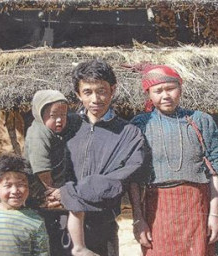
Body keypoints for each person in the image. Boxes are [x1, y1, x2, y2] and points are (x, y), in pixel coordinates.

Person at [47, 59, 147, 256]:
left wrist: (69, 193)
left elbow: (119, 179)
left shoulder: (129, 134)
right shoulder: (66, 126)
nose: (95, 99)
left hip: (103, 224)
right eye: (87, 92)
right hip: (60, 221)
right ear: (78, 94)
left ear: (113, 89)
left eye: (101, 90)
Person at [129, 64, 218, 256]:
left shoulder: (201, 120)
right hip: (157, 208)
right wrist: (138, 218)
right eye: (158, 91)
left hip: (197, 204)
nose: (165, 95)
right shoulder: (140, 125)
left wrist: (214, 214)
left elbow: (214, 169)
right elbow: (133, 177)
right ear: (149, 94)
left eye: (170, 88)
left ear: (180, 88)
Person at [24, 89, 97, 256]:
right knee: (74, 203)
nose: (59, 120)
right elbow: (41, 168)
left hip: (54, 183)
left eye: (63, 115)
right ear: (39, 114)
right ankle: (79, 246)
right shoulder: (38, 133)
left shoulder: (56, 130)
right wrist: (52, 192)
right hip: (39, 186)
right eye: (53, 116)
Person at [0, 153, 50, 256]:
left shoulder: (35, 220)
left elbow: (42, 253)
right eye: (8, 185)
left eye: (21, 185)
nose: (15, 191)